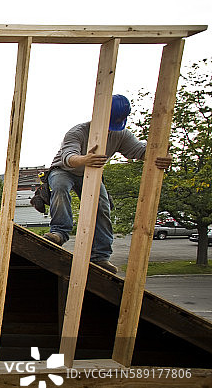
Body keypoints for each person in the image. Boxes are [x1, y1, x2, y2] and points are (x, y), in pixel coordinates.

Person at [43, 94, 172, 274]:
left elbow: (140, 151)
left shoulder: (120, 134)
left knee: (102, 207)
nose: (109, 131)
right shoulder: (78, 131)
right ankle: (59, 232)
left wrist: (160, 156)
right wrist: (85, 159)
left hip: (92, 173)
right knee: (60, 187)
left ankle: (100, 257)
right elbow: (67, 157)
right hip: (64, 170)